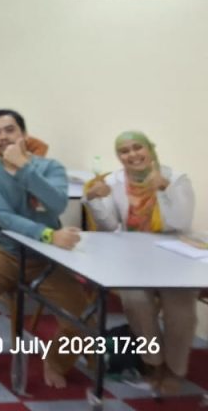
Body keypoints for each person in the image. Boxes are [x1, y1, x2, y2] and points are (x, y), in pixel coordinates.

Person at [0, 109, 90, 389]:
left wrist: (23, 166)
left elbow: (57, 204)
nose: (3, 137)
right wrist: (47, 234)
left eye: (10, 130)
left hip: (45, 255)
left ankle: (57, 361)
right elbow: (4, 217)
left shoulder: (51, 167)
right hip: (4, 249)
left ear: (24, 134)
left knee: (81, 311)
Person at [83, 131, 196, 395]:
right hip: (134, 258)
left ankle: (175, 369)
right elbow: (109, 225)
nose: (132, 155)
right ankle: (154, 363)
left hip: (173, 257)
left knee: (180, 309)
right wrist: (94, 199)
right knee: (135, 300)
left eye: (138, 147)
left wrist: (164, 189)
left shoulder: (176, 179)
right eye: (124, 151)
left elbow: (181, 222)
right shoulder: (114, 181)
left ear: (149, 148)